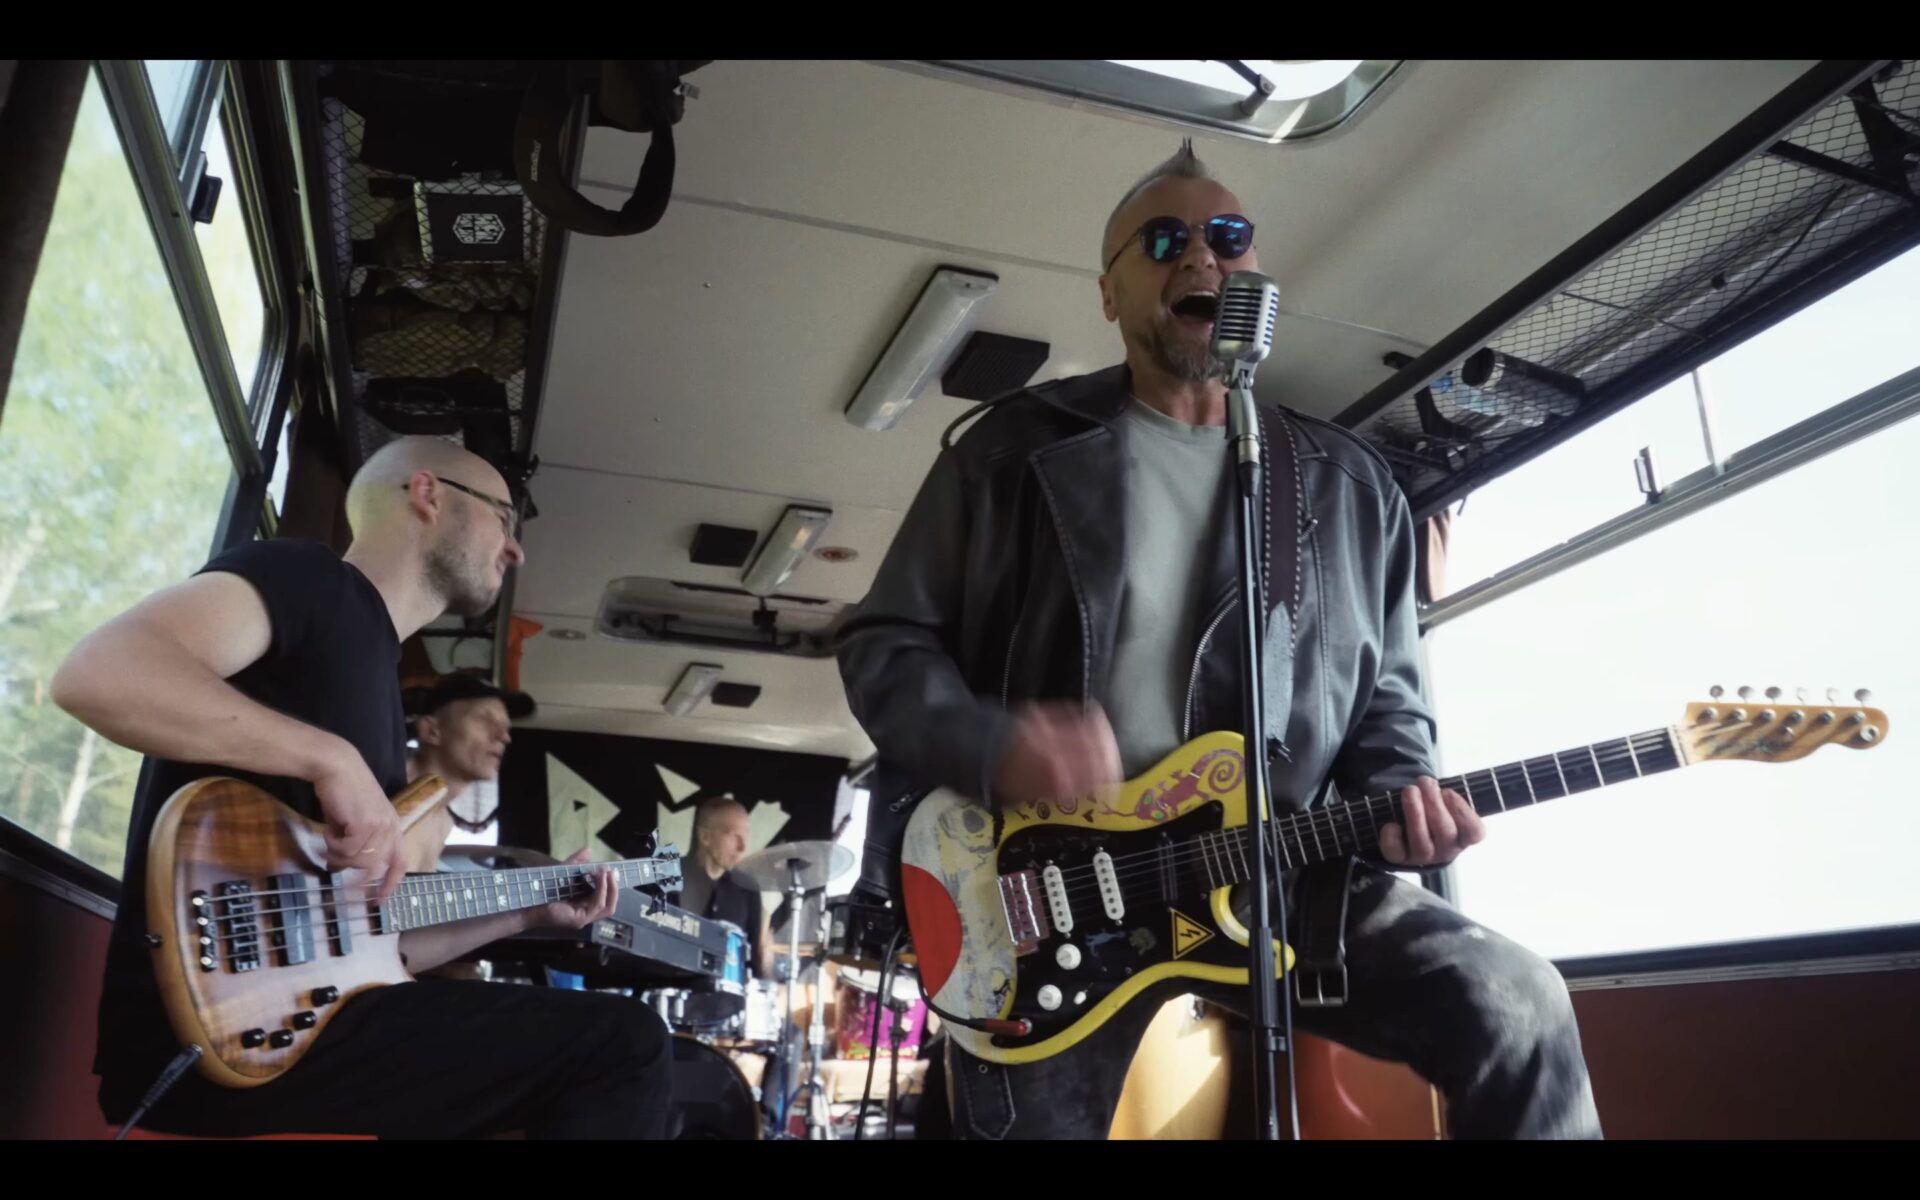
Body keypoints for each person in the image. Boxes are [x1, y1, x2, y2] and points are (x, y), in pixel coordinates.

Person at [835, 141, 1602, 1140]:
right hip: (1047, 886)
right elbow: (886, 642)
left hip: (1273, 868)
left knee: (1519, 1004)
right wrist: (998, 743)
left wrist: (1404, 800)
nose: (1202, 256)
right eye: (1164, 241)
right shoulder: (1011, 450)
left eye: (1228, 237)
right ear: (1109, 292)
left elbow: (1388, 703)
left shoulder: (1351, 486)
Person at [54, 436, 674, 1139]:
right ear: (427, 494)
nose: (515, 549)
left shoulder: (379, 675)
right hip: (194, 1025)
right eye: (504, 518)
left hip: (291, 1027)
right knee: (626, 1044)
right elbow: (99, 672)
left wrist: (526, 916)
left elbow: (381, 941)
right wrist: (329, 759)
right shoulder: (310, 581)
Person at [402, 673, 535, 872]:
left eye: (505, 727)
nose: (504, 737)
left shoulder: (442, 823)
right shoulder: (376, 784)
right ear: (431, 730)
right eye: (484, 720)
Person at [675, 795, 775, 981]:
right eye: (734, 836)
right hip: (671, 992)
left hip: (727, 997)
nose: (743, 847)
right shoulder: (668, 877)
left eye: (746, 836)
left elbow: (756, 971)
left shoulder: (748, 888)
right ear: (705, 837)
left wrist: (765, 962)